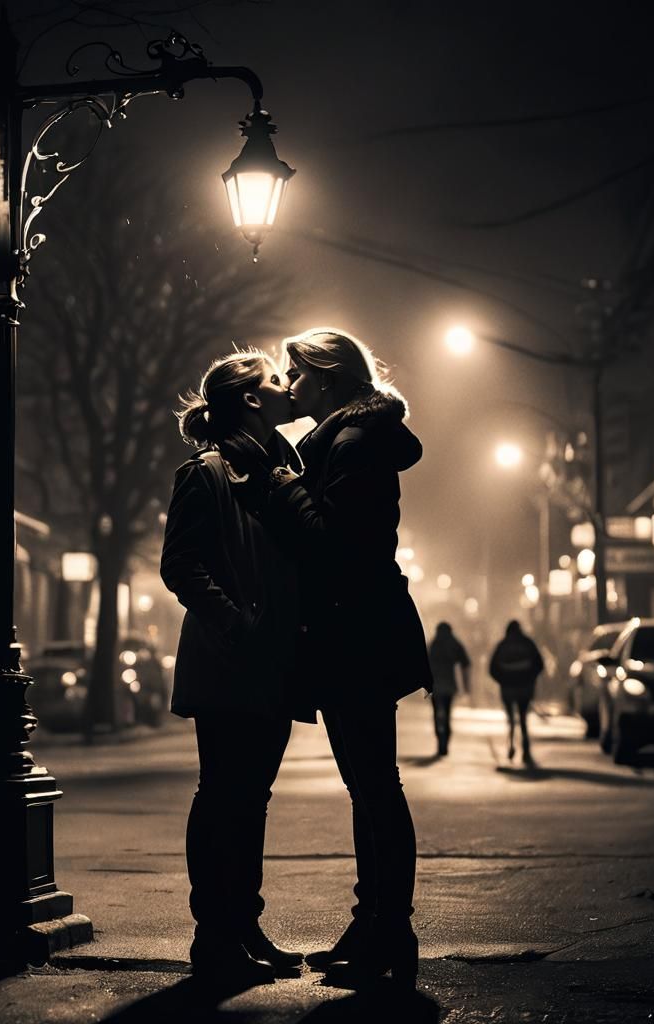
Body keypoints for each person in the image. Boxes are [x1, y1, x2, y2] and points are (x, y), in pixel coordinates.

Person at [263, 327, 432, 989]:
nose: (289, 385)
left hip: (356, 634)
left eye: (297, 374)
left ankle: (389, 928)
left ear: (327, 379)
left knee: (376, 788)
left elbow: (333, 545)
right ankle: (377, 923)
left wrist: (283, 486)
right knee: (371, 787)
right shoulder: (348, 440)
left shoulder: (353, 445)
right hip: (357, 631)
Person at [159, 349, 314, 985]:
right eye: (275, 380)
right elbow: (181, 565)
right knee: (223, 795)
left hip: (271, 659)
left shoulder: (278, 468)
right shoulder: (208, 473)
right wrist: (238, 625)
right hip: (230, 661)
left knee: (250, 800)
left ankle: (242, 927)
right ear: (251, 400)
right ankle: (214, 937)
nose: (286, 387)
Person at [488, 620, 544, 767]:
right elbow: (539, 664)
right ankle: (526, 750)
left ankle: (511, 746)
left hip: (508, 688)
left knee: (511, 720)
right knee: (524, 719)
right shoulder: (528, 643)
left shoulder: (503, 645)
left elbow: (492, 668)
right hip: (525, 688)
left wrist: (502, 679)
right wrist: (530, 678)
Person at [428, 622, 472, 756]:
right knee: (447, 714)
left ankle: (439, 738)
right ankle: (445, 742)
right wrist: (466, 686)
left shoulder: (433, 643)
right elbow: (466, 663)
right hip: (449, 686)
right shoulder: (454, 643)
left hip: (434, 686)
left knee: (436, 713)